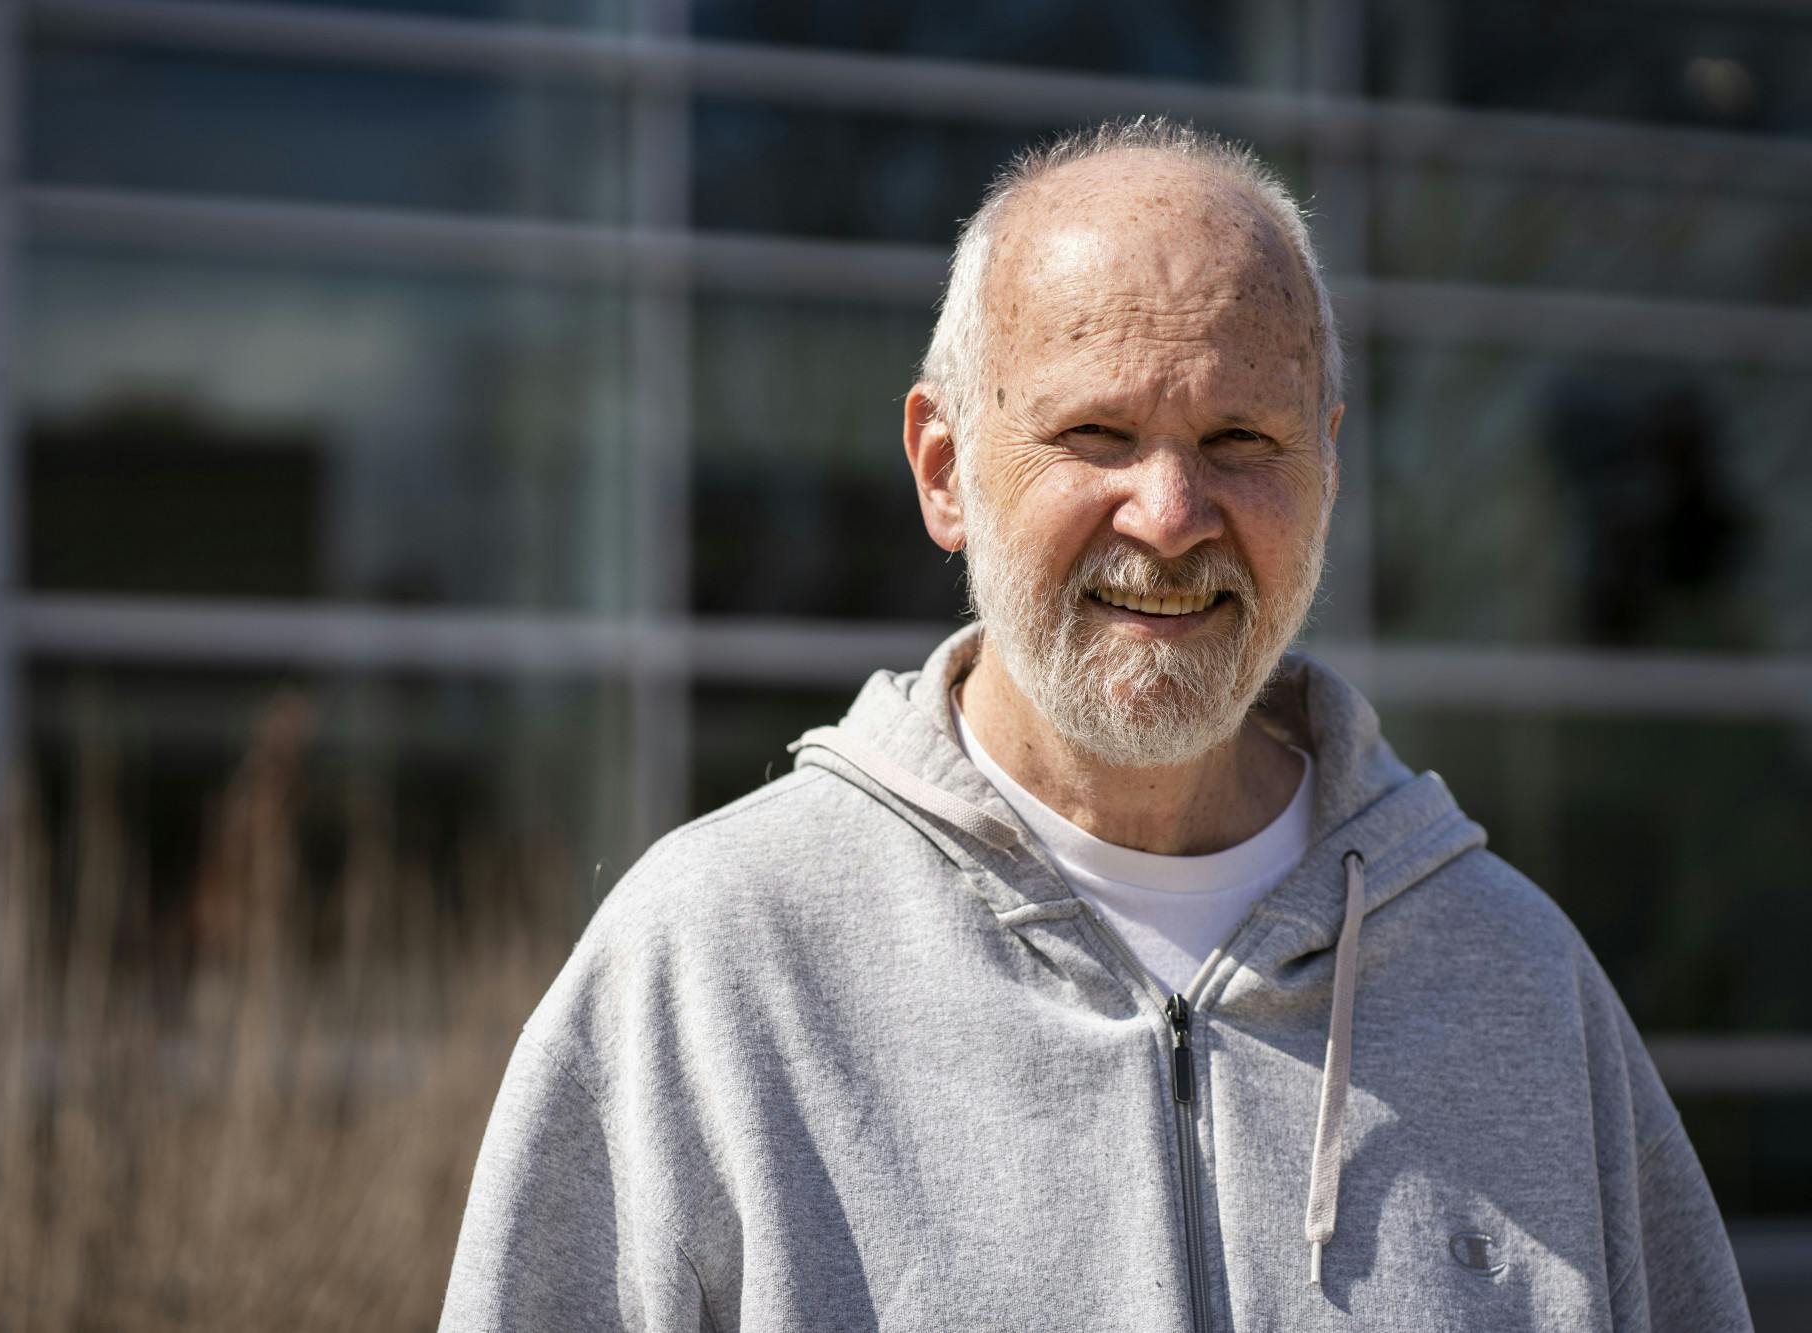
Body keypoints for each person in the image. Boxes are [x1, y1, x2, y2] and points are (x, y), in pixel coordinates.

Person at [438, 118, 1751, 1332]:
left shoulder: (1519, 985)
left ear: (1329, 468)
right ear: (945, 469)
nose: (1172, 512)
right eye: (1098, 431)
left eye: (1242, 437)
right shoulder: (715, 967)